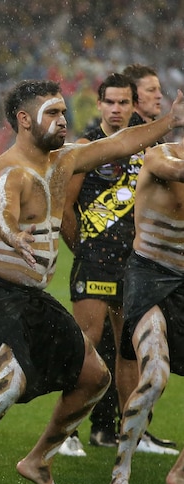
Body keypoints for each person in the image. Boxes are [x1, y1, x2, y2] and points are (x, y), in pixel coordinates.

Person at [0, 79, 184, 484]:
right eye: (52, 113)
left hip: (30, 298)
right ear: (23, 120)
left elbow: (122, 142)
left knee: (95, 376)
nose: (62, 120)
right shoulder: (8, 170)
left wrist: (170, 121)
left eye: (63, 112)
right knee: (11, 380)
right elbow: (1, 207)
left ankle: (37, 460)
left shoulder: (65, 160)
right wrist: (14, 235)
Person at [60, 72, 177, 457]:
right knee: (86, 345)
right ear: (99, 105)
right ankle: (68, 434)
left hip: (135, 266)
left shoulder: (152, 146)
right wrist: (83, 247)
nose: (116, 109)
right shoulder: (86, 147)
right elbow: (65, 207)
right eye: (109, 102)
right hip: (94, 263)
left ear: (133, 105)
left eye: (123, 102)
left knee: (129, 352)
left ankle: (132, 434)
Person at [108, 132, 184, 484]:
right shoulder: (158, 156)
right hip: (149, 275)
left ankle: (180, 472)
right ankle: (120, 471)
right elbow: (175, 170)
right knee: (155, 374)